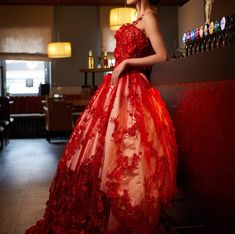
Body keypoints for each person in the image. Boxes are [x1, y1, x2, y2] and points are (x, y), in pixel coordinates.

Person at [26, 0, 178, 233]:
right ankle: (104, 208)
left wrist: (127, 62)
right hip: (115, 88)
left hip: (134, 88)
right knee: (103, 148)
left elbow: (162, 55)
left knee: (126, 150)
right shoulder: (137, 18)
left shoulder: (149, 17)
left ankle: (122, 211)